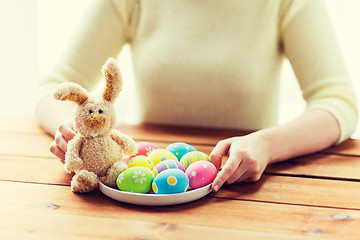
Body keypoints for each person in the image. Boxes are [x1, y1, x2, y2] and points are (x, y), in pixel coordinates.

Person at [35, 0, 358, 192]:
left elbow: (338, 101)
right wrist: (72, 129)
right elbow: (52, 85)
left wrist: (267, 144)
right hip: (145, 193)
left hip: (241, 190)